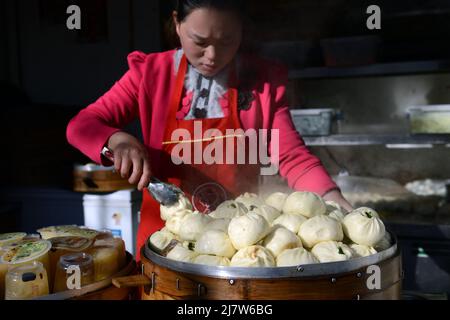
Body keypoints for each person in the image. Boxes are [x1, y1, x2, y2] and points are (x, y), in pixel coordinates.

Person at [66, 0, 353, 259]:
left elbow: (292, 156)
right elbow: (82, 125)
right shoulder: (150, 75)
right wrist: (116, 140)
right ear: (177, 24)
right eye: (199, 41)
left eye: (227, 40)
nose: (213, 56)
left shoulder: (263, 81)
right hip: (166, 246)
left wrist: (332, 200)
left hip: (239, 252)